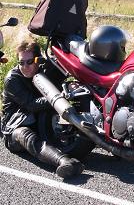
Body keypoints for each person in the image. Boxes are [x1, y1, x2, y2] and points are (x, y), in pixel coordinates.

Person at [0, 40, 84, 178]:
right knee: (26, 135)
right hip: (14, 126)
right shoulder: (12, 79)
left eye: (29, 62)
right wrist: (59, 95)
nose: (25, 66)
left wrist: (70, 88)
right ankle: (64, 162)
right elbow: (31, 105)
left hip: (39, 122)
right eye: (21, 62)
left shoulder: (43, 71)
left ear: (38, 60)